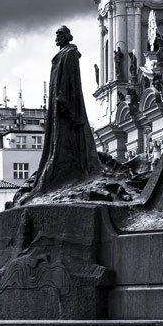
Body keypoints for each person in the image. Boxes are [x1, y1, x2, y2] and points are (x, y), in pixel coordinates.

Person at [17, 26, 102, 201]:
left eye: (60, 34)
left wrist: (63, 97)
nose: (57, 37)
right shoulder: (63, 53)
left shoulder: (69, 53)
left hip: (64, 102)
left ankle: (69, 170)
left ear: (67, 36)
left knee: (65, 138)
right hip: (58, 103)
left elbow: (69, 78)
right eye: (56, 34)